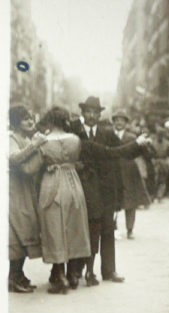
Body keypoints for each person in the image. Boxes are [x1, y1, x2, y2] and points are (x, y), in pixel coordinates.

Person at [70, 96, 133, 285]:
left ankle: (108, 270)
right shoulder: (75, 131)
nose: (91, 115)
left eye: (95, 112)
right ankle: (78, 270)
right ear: (83, 113)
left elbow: (116, 163)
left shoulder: (107, 134)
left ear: (99, 114)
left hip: (105, 190)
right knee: (81, 229)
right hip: (81, 189)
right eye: (88, 111)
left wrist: (119, 193)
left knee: (107, 229)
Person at [36, 106, 91, 294]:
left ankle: (59, 276)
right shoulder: (75, 140)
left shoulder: (43, 141)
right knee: (73, 225)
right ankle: (73, 274)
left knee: (54, 227)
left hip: (52, 183)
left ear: (50, 121)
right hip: (72, 182)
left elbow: (35, 166)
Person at [8, 104, 45, 292]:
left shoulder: (26, 138)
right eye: (25, 119)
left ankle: (18, 274)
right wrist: (34, 145)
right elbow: (14, 158)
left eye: (31, 117)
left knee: (25, 229)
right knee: (16, 232)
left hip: (26, 190)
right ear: (16, 122)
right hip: (15, 192)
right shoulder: (11, 138)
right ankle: (13, 277)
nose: (31, 121)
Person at [112, 108, 152, 239]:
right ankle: (114, 228)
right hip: (113, 169)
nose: (119, 122)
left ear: (126, 123)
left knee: (130, 201)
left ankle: (130, 229)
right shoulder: (109, 135)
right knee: (113, 200)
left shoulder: (131, 137)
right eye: (116, 120)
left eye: (121, 120)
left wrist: (145, 144)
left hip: (129, 170)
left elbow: (143, 152)